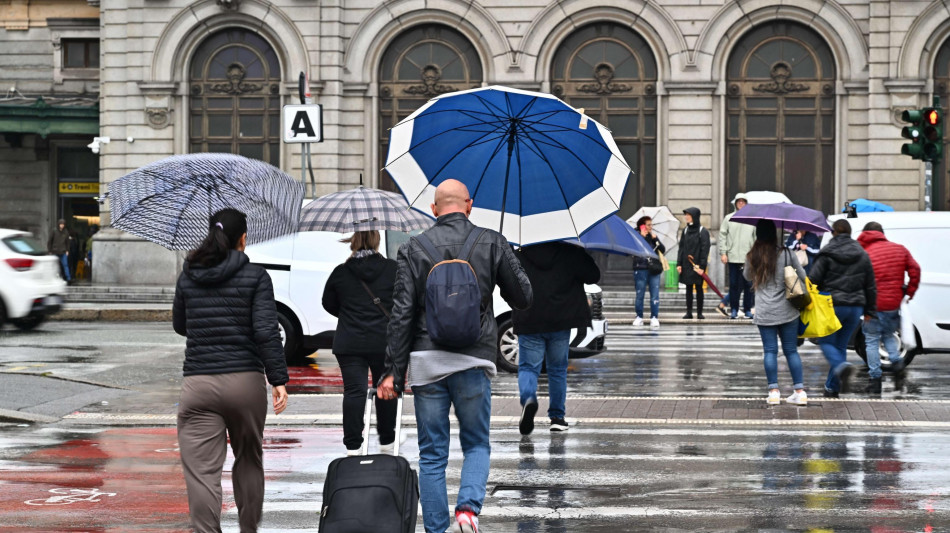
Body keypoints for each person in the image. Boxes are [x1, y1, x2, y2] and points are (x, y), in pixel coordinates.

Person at [377, 179, 532, 533]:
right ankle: (467, 511)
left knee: (432, 455)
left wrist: (393, 372)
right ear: (469, 205)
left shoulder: (413, 248)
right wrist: (509, 256)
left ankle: (436, 529)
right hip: (474, 361)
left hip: (427, 362)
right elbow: (523, 297)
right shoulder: (491, 241)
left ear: (434, 209)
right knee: (476, 444)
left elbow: (401, 314)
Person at [172, 208, 289, 533]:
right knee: (249, 458)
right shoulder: (257, 277)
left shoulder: (189, 274)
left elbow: (180, 325)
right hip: (245, 383)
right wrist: (278, 379)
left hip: (198, 384)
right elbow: (266, 332)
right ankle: (248, 529)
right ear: (243, 239)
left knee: (202, 473)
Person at [322, 230, 398, 455]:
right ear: (377, 241)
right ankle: (387, 441)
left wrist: (349, 315)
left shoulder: (341, 272)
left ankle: (353, 446)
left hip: (350, 341)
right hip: (383, 341)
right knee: (385, 389)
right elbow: (403, 302)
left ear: (354, 241)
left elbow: (328, 303)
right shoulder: (393, 269)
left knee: (354, 392)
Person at [513, 241, 600, 435]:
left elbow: (509, 282)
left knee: (528, 367)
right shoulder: (570, 251)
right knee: (558, 370)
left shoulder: (521, 253)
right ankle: (557, 418)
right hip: (561, 319)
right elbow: (593, 276)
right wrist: (582, 252)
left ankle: (528, 398)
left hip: (529, 318)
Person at [809, 218, 877, 398]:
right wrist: (870, 311)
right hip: (855, 307)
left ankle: (840, 367)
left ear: (833, 233)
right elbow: (870, 285)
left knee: (826, 342)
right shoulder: (862, 254)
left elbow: (813, 279)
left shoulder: (827, 253)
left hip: (833, 305)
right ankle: (832, 387)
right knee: (840, 346)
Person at [744, 220, 808, 406]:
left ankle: (773, 392)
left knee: (770, 351)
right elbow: (803, 276)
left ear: (758, 234)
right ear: (774, 234)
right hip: (788, 309)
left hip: (765, 310)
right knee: (791, 350)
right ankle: (800, 392)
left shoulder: (752, 255)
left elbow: (747, 276)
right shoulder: (787, 253)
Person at [857, 221, 921, 392]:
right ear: (882, 233)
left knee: (871, 340)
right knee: (887, 335)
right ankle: (897, 364)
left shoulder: (865, 253)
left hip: (872, 304)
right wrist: (909, 293)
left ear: (866, 234)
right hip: (893, 303)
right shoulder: (900, 249)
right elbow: (915, 270)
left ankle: (875, 380)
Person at [719, 193, 756, 319]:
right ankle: (734, 309)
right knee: (734, 284)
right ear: (735, 203)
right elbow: (722, 236)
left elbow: (756, 238)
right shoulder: (728, 218)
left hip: (748, 258)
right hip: (733, 256)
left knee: (748, 285)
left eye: (743, 201)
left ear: (746, 204)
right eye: (738, 201)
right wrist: (723, 252)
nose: (741, 203)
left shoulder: (752, 219)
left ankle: (747, 310)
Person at [632, 216, 666, 329]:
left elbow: (662, 249)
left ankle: (654, 317)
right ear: (642, 226)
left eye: (651, 224)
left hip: (654, 269)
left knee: (655, 294)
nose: (651, 227)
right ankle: (639, 316)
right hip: (640, 268)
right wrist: (641, 237)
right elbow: (632, 250)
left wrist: (655, 239)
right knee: (640, 294)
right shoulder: (635, 237)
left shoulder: (653, 237)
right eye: (648, 225)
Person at [676, 207, 710, 319]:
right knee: (688, 288)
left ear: (694, 216)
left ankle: (699, 312)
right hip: (686, 264)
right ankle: (689, 312)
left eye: (688, 215)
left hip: (698, 265)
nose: (686, 217)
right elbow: (681, 248)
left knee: (699, 288)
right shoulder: (685, 230)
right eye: (686, 215)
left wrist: (702, 266)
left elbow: (705, 250)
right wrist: (679, 263)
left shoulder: (702, 231)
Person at [47, 219, 72, 283]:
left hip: (63, 251)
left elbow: (68, 242)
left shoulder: (66, 232)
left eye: (63, 224)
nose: (62, 226)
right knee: (55, 265)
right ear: (58, 224)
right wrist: (50, 250)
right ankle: (54, 277)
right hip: (55, 251)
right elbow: (50, 241)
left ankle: (68, 278)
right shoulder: (54, 231)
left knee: (65, 265)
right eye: (61, 224)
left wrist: (67, 250)